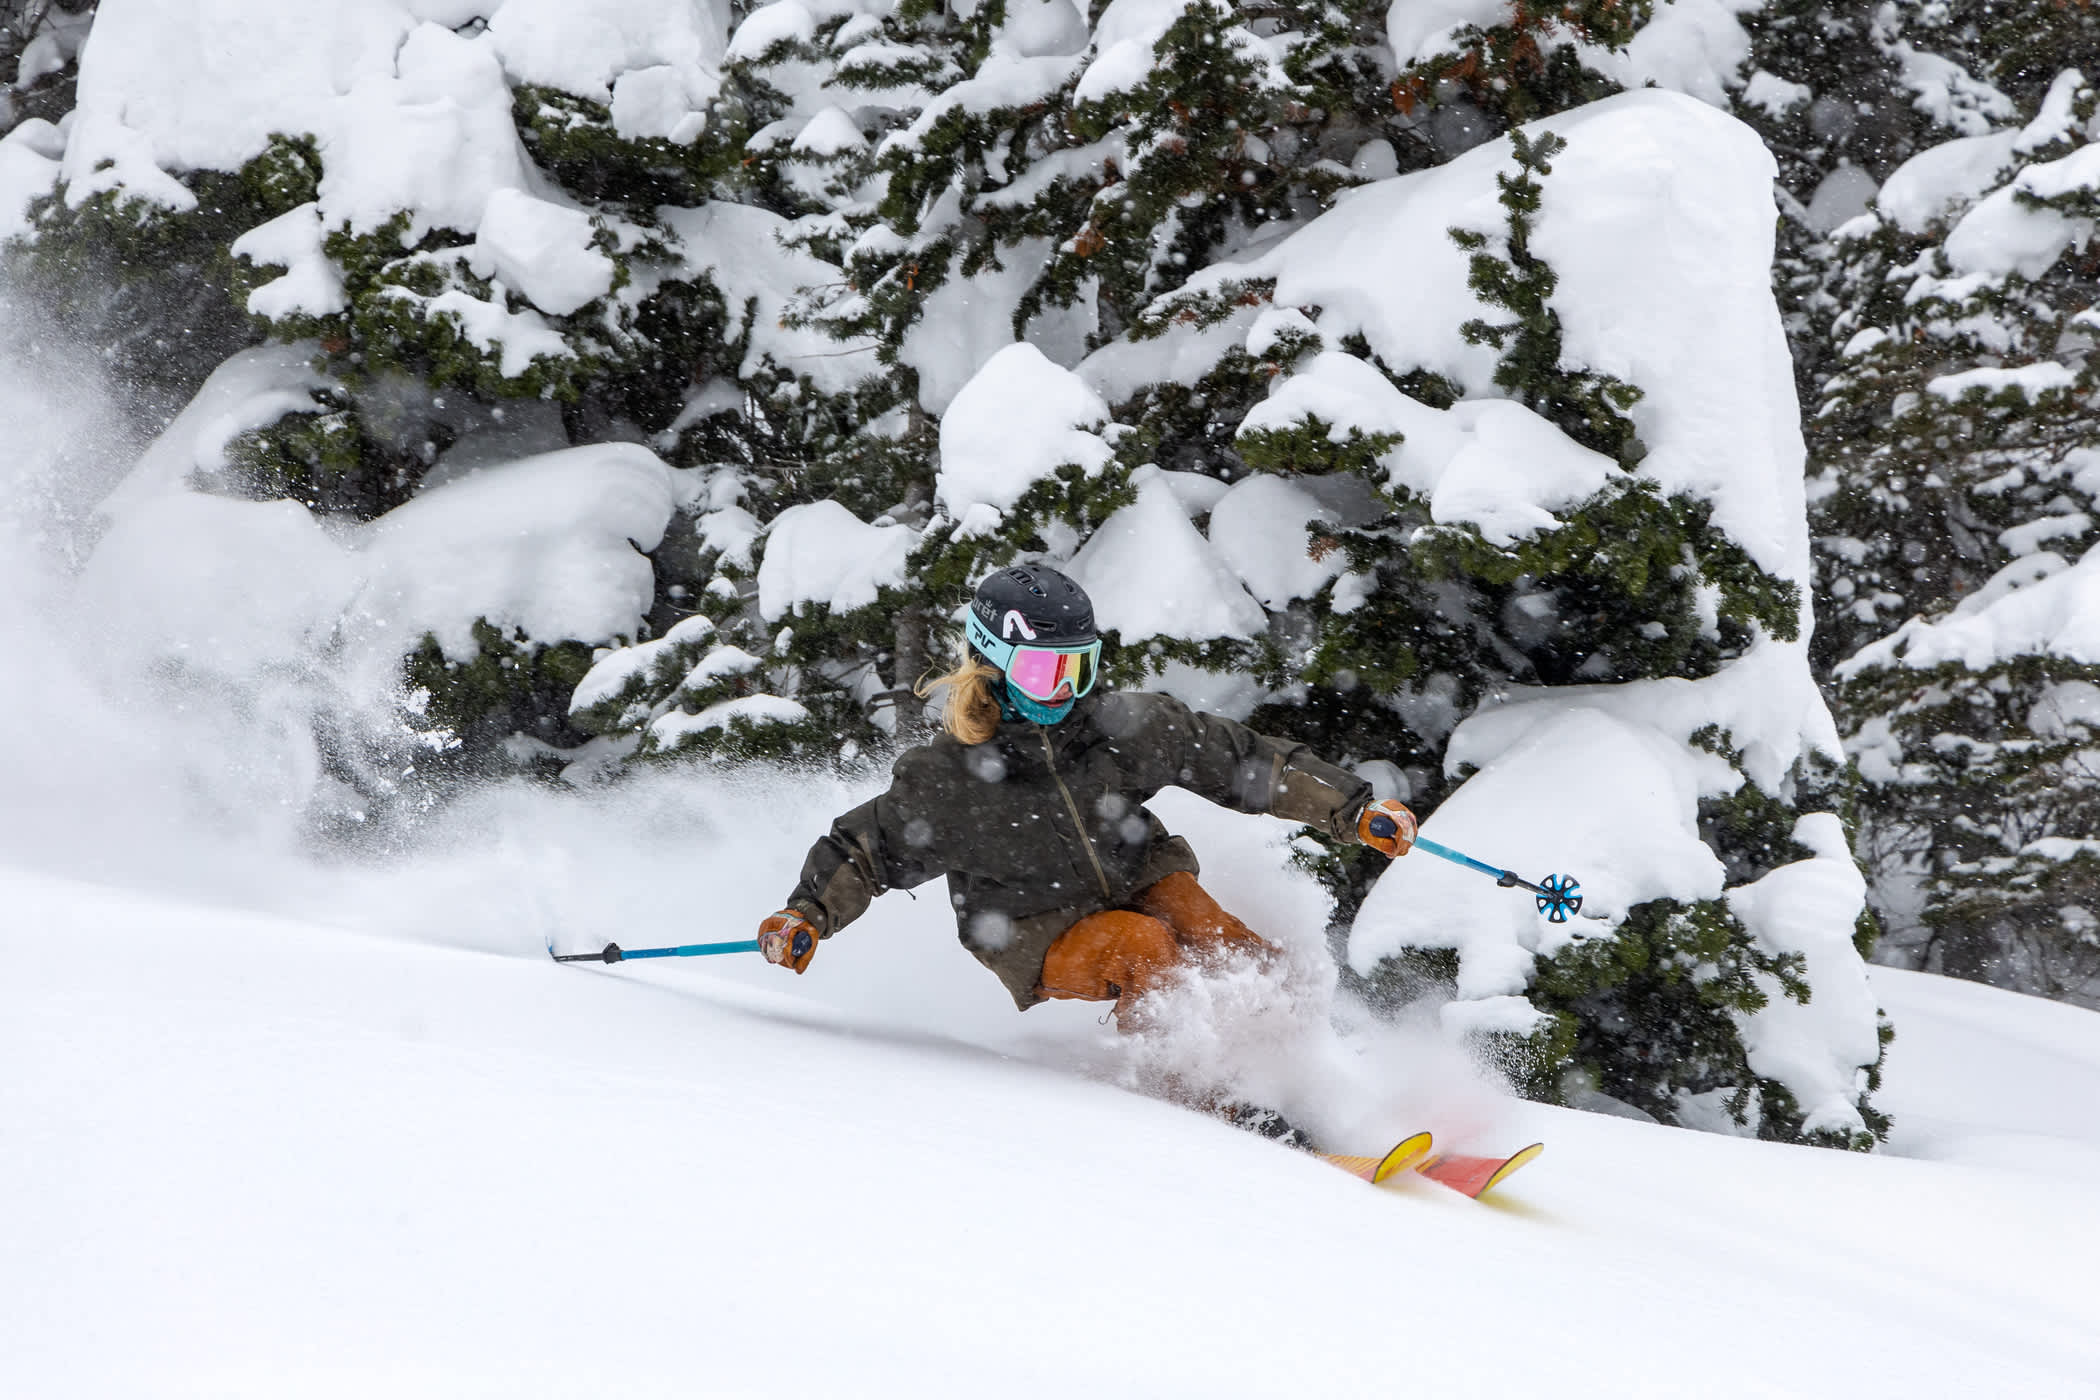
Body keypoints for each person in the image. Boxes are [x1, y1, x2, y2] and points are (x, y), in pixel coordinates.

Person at [755, 563, 1418, 1048]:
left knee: (1233, 948)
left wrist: (1352, 810)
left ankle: (1307, 1072)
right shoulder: (948, 780)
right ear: (994, 669)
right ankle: (1191, 1097)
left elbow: (1239, 757)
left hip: (1133, 870)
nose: (1066, 690)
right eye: (1046, 672)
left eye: (1080, 668)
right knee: (1143, 947)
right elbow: (863, 849)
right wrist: (805, 913)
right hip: (1029, 925)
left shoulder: (1122, 727)